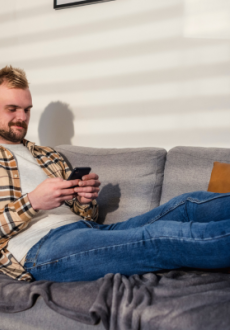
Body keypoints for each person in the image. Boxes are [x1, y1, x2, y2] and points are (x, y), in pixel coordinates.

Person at [0, 66, 230, 283]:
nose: (22, 117)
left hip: (86, 231)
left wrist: (83, 200)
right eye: (12, 109)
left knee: (185, 205)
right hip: (41, 249)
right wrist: (32, 203)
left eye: (27, 110)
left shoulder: (47, 155)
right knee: (160, 237)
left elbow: (87, 216)